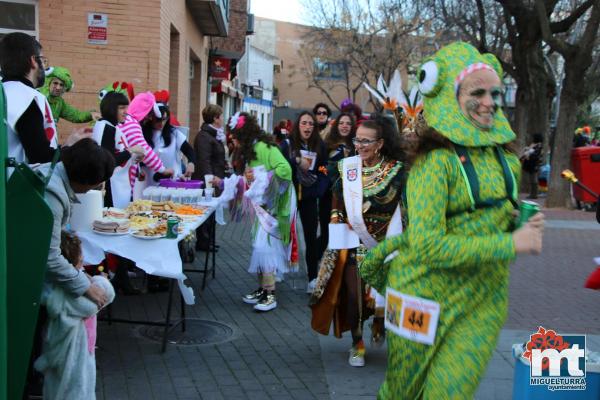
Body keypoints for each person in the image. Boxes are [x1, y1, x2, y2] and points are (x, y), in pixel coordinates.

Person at [359, 42, 545, 398]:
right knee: (403, 391)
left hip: (482, 300)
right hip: (420, 297)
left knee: (450, 393)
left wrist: (518, 223)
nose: (490, 101)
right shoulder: (435, 164)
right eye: (478, 92)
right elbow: (428, 246)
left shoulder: (506, 160)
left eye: (495, 92)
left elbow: (493, 219)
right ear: (450, 97)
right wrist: (510, 243)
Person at [310, 114, 404, 368]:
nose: (359, 145)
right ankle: (357, 342)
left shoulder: (397, 170)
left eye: (366, 141)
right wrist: (338, 220)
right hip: (355, 242)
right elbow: (337, 201)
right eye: (357, 140)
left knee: (387, 295)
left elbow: (405, 206)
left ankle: (381, 325)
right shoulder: (348, 167)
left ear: (380, 144)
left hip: (388, 243)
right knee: (354, 296)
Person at [226, 112, 296, 311]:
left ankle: (270, 294)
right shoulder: (251, 150)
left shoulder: (265, 147)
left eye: (236, 135)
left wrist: (259, 175)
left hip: (276, 205)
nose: (233, 140)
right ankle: (263, 289)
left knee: (264, 247)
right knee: (259, 244)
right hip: (264, 205)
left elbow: (285, 170)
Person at [34, 231, 115, 400]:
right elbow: (104, 296)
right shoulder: (75, 295)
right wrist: (101, 280)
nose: (83, 263)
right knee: (77, 392)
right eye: (80, 261)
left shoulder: (52, 289)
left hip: (58, 354)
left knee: (55, 389)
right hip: (76, 358)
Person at [0, 32, 87, 166]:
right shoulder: (28, 97)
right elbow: (41, 157)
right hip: (13, 185)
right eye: (42, 59)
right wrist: (70, 147)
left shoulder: (4, 91)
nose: (44, 66)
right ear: (33, 61)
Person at [289, 111, 328, 292]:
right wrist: (296, 160)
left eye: (311, 124)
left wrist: (319, 187)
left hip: (309, 196)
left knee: (311, 236)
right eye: (304, 123)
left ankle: (312, 277)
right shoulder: (289, 144)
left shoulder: (319, 145)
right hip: (289, 195)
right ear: (298, 125)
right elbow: (281, 163)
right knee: (284, 234)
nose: (308, 127)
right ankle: (276, 272)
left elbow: (324, 169)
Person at [92, 91, 145, 208]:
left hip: (116, 188)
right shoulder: (107, 128)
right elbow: (107, 161)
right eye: (122, 108)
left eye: (127, 108)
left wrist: (134, 157)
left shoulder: (110, 127)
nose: (126, 112)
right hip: (111, 190)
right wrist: (131, 150)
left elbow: (117, 157)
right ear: (111, 108)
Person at [119, 91, 173, 195]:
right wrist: (163, 169)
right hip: (121, 183)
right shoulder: (131, 123)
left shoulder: (128, 122)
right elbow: (143, 148)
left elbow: (134, 150)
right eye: (149, 113)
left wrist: (138, 171)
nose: (149, 118)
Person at [193, 104, 226, 252]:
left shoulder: (213, 134)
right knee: (206, 211)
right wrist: (209, 181)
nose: (223, 119)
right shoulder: (204, 136)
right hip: (208, 180)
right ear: (215, 118)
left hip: (215, 177)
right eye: (221, 116)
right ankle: (203, 242)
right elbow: (204, 160)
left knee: (212, 211)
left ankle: (209, 240)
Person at [142, 98, 196, 184]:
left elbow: (189, 151)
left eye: (164, 119)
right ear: (150, 118)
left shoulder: (174, 133)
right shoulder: (142, 134)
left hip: (172, 183)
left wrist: (191, 163)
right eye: (158, 120)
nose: (162, 123)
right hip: (148, 184)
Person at [520, 133, 543, 199]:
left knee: (534, 179)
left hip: (534, 164)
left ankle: (534, 194)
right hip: (531, 164)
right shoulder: (534, 145)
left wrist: (529, 154)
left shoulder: (539, 146)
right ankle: (532, 194)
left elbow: (536, 155)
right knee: (532, 179)